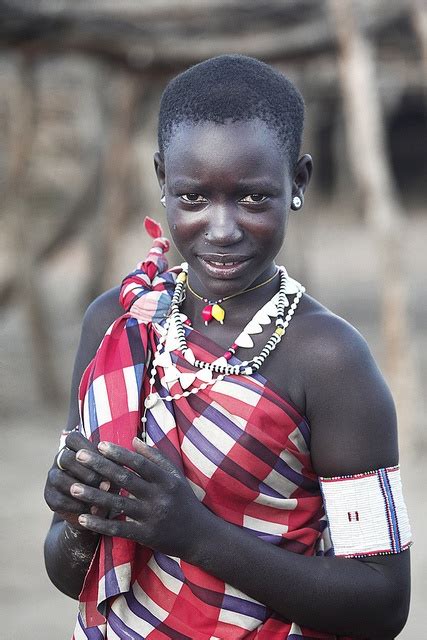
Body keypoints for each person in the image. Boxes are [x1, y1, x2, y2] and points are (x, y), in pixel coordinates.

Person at [44, 55, 411, 640]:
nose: (221, 229)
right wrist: (82, 520)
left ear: (300, 182)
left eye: (252, 199)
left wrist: (193, 534)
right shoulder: (115, 327)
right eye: (192, 198)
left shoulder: (329, 362)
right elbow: (69, 572)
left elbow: (383, 603)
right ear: (163, 179)